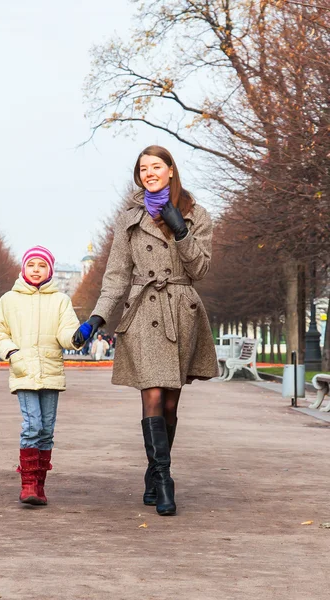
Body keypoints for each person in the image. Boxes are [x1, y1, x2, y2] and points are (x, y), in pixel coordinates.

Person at [73, 145, 219, 516]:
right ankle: (165, 480)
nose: (149, 173)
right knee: (152, 394)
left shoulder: (197, 214)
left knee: (170, 404)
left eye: (156, 166)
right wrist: (96, 318)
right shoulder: (128, 221)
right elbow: (117, 276)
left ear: (171, 170)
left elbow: (200, 270)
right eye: (143, 168)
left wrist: (180, 228)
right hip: (143, 313)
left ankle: (154, 472)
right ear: (138, 176)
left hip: (182, 311)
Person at [0, 245, 81, 506]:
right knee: (33, 425)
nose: (36, 270)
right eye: (32, 265)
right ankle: (28, 484)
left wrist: (76, 337)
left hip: (51, 370)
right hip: (24, 370)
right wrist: (12, 353)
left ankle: (39, 487)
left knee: (47, 430)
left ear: (50, 269)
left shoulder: (60, 300)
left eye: (42, 266)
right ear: (23, 268)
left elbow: (66, 331)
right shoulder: (9, 299)